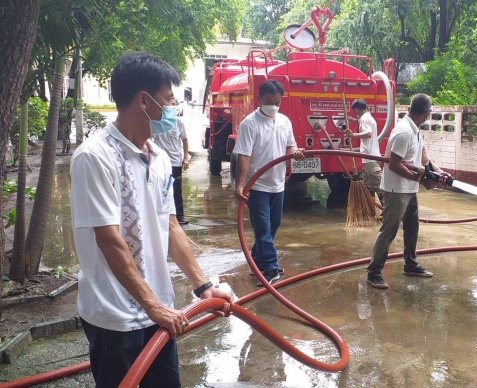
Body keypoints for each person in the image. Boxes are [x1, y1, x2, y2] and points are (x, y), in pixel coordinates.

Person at [70, 51, 233, 387]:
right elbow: (109, 239)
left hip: (161, 313)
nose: (173, 109)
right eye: (169, 100)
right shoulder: (94, 157)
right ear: (144, 102)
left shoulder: (158, 157)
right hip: (115, 318)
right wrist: (152, 306)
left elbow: (169, 225)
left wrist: (203, 287)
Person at [366, 94, 451, 289]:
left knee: (412, 227)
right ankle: (373, 272)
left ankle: (410, 265)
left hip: (409, 189)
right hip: (396, 190)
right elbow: (394, 164)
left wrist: (437, 171)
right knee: (389, 231)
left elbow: (423, 156)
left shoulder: (415, 129)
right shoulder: (403, 132)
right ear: (427, 113)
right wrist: (421, 179)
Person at [233, 80, 305, 284]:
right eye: (269, 101)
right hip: (257, 186)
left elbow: (290, 146)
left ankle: (256, 260)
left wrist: (295, 153)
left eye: (277, 102)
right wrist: (240, 185)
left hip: (278, 183)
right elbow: (244, 156)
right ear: (259, 99)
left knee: (274, 225)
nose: (273, 106)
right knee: (263, 228)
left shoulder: (284, 121)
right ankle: (271, 268)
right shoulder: (249, 124)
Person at [153, 101, 190, 224]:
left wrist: (185, 158)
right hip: (160, 163)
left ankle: (179, 216)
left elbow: (184, 140)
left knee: (176, 189)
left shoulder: (178, 123)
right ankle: (162, 216)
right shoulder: (156, 123)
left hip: (175, 162)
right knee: (162, 189)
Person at [345, 99, 383, 205]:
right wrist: (355, 120)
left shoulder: (364, 119)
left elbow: (368, 134)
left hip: (370, 157)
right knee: (368, 185)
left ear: (357, 109)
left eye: (355, 111)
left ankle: (385, 209)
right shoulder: (367, 117)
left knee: (377, 185)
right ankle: (371, 210)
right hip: (369, 157)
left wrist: (353, 135)